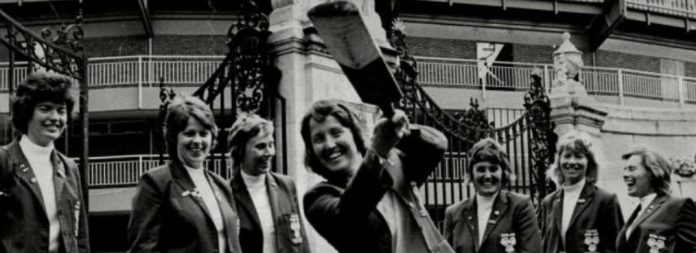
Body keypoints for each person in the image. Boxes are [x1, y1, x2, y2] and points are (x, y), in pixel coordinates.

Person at [301, 100, 454, 253]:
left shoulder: (394, 162)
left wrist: (399, 130)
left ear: (354, 134)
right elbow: (349, 215)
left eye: (336, 133)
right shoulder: (316, 199)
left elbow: (437, 146)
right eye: (319, 139)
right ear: (312, 150)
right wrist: (376, 154)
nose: (329, 144)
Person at [127, 96, 241, 253]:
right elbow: (143, 249)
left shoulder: (222, 185)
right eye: (189, 133)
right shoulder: (156, 183)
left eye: (203, 134)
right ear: (174, 138)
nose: (197, 141)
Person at [0, 71, 90, 253]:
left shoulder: (69, 168)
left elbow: (80, 237)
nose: (55, 118)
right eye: (45, 108)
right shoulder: (3, 160)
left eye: (61, 110)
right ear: (27, 112)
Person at [227, 113, 310, 253]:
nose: (269, 152)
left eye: (271, 145)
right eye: (260, 147)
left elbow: (301, 240)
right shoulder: (226, 192)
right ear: (241, 150)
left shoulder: (287, 185)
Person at [443, 138, 541, 253]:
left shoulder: (520, 207)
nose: (487, 176)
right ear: (471, 174)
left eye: (493, 169)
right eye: (481, 169)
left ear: (504, 172)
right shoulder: (454, 213)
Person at [538, 130, 624, 253]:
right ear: (559, 161)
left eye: (579, 156)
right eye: (567, 156)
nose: (572, 162)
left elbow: (617, 248)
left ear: (589, 162)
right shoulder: (549, 201)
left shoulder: (605, 200)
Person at [617, 147, 696, 253]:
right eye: (625, 169)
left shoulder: (678, 207)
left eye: (632, 169)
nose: (625, 175)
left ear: (653, 173)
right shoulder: (638, 212)